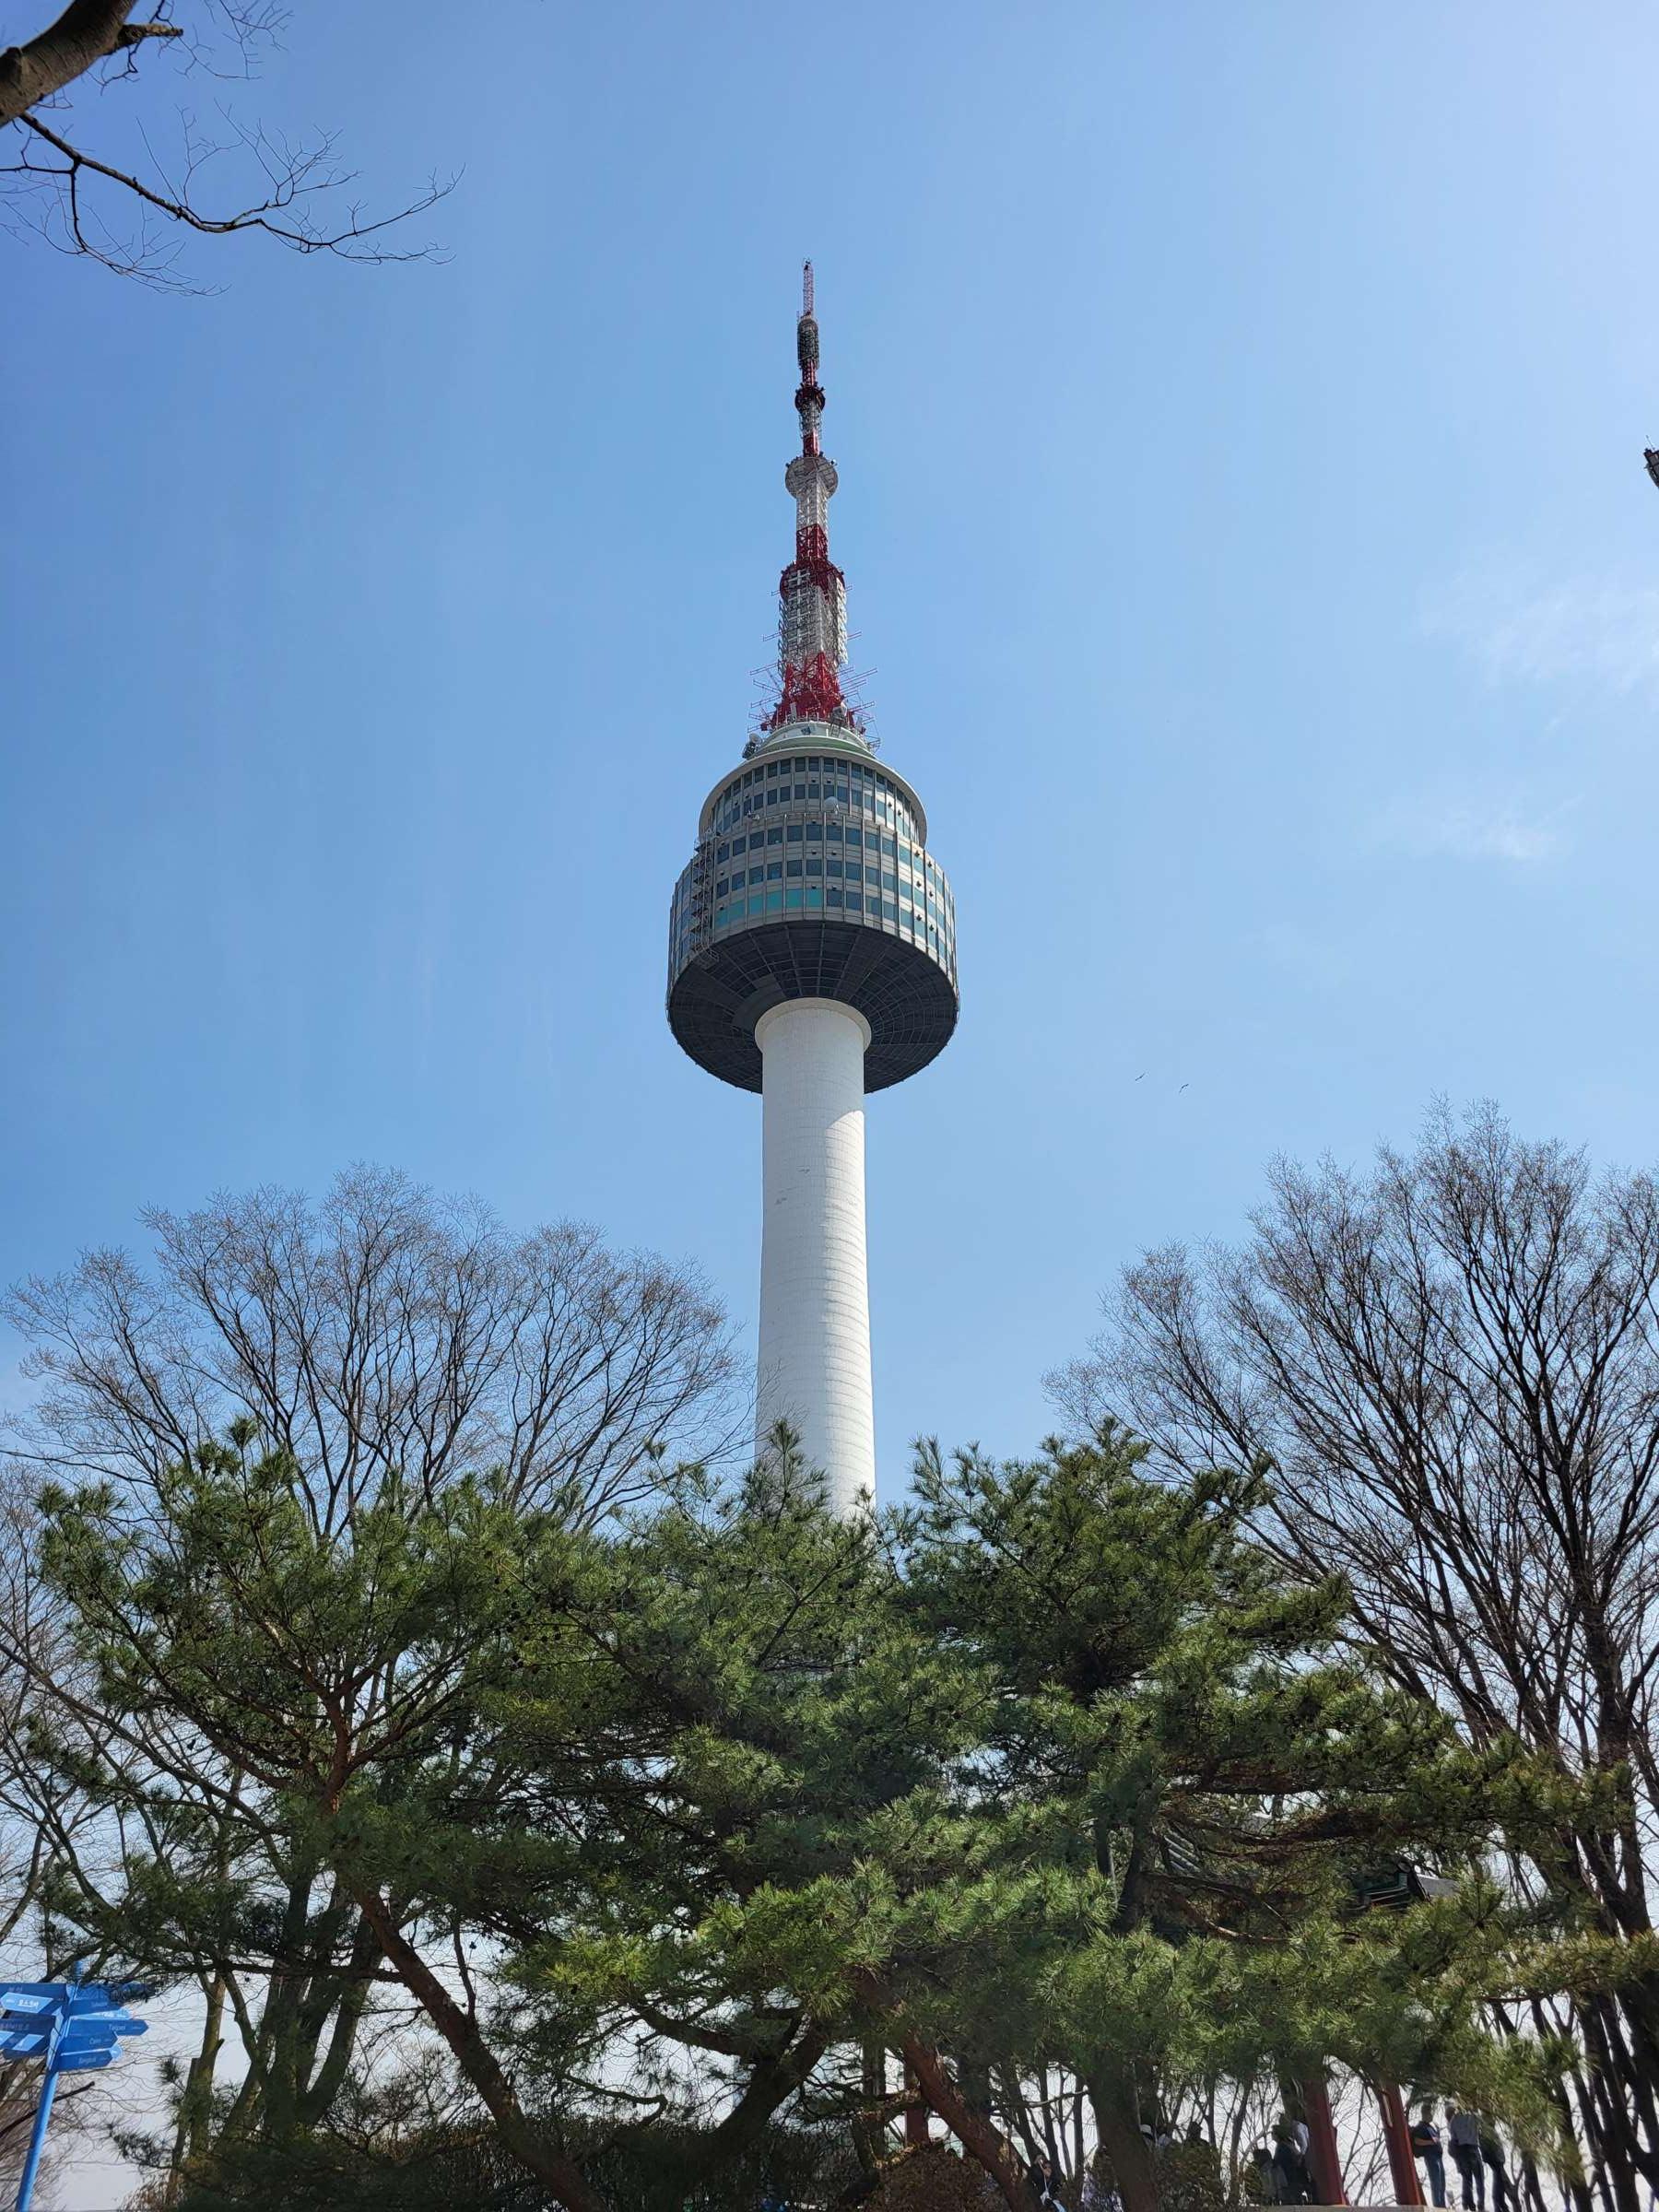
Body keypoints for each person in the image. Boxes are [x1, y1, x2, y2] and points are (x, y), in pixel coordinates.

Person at [1410, 2106, 1448, 2210]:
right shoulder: (1421, 2127)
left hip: (1438, 2157)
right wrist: (1430, 2142)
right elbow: (1417, 2141)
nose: (1432, 2115)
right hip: (1431, 2157)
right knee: (1436, 2183)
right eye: (1430, 2113)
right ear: (1425, 2114)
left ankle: (1442, 2205)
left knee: (1442, 2183)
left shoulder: (1430, 2126)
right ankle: (1438, 2206)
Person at [1448, 2107, 1486, 2212]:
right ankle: (1481, 2205)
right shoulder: (1474, 2116)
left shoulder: (1454, 2120)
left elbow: (1453, 2137)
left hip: (1462, 2151)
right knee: (1479, 2180)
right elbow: (1482, 2129)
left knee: (1467, 2180)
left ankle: (1470, 2206)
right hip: (1473, 2149)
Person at [1478, 2124, 1512, 2212]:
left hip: (1496, 2160)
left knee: (1498, 2183)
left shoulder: (1485, 2131)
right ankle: (1501, 2206)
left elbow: (1489, 2148)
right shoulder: (1488, 2130)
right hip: (1497, 2160)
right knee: (1499, 2183)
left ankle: (1500, 2207)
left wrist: (1487, 2159)